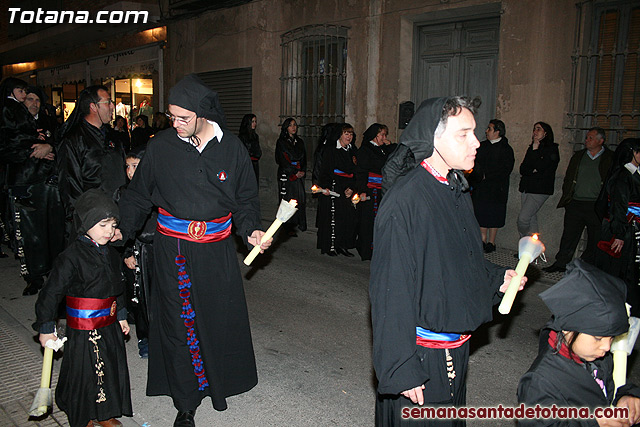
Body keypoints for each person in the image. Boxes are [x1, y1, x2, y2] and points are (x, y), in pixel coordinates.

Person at [117, 74, 271, 427]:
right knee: (179, 323)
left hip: (217, 252)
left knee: (215, 319)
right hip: (174, 252)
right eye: (171, 116)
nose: (174, 123)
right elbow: (139, 195)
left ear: (203, 115)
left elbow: (246, 199)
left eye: (182, 117)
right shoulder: (161, 147)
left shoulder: (231, 148)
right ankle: (185, 401)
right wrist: (122, 232)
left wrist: (251, 229)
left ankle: (215, 383)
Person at [369, 96, 525, 426]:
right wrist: (402, 368)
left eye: (475, 132)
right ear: (433, 139)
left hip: (455, 350)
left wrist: (498, 279)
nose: (476, 141)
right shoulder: (405, 201)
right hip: (421, 359)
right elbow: (390, 292)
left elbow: (462, 261)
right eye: (463, 134)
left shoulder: (455, 188)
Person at [32, 189, 132, 427]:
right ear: (86, 224)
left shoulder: (110, 253)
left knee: (109, 369)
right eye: (103, 225)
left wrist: (121, 315)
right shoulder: (71, 258)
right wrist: (46, 327)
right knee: (85, 374)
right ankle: (85, 414)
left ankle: (105, 412)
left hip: (108, 326)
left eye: (113, 225)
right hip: (83, 330)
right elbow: (50, 294)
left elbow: (117, 287)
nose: (110, 231)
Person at [517, 259, 640, 426]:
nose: (606, 346)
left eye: (611, 338)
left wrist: (627, 395)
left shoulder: (596, 356)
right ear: (568, 329)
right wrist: (594, 422)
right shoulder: (539, 383)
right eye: (598, 337)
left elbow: (607, 391)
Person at [0, 81, 65, 295]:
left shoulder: (50, 123)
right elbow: (5, 150)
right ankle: (33, 277)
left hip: (49, 185)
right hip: (23, 185)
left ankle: (54, 274)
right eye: (30, 98)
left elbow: (64, 146)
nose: (34, 103)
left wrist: (50, 146)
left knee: (53, 232)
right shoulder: (11, 121)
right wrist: (33, 151)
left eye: (38, 100)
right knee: (28, 235)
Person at [57, 85, 126, 243]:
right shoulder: (73, 140)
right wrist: (83, 221)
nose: (112, 106)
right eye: (108, 102)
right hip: (91, 219)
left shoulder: (113, 137)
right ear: (93, 106)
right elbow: (69, 184)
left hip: (116, 213)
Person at [544, 127, 614, 273]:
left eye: (591, 138)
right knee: (569, 235)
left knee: (595, 237)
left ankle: (587, 266)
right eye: (587, 137)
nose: (587, 140)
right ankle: (561, 263)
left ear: (601, 141)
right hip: (576, 202)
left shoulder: (609, 158)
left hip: (596, 205)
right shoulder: (579, 156)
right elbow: (569, 177)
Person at [594, 138, 640, 317]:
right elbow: (618, 206)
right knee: (617, 269)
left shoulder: (635, 174)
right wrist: (619, 234)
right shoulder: (622, 175)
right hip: (622, 229)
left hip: (632, 228)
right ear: (632, 153)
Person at [116, 149, 153, 359]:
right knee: (138, 296)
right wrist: (127, 252)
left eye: (135, 166)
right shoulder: (122, 192)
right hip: (135, 249)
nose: (130, 172)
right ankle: (144, 338)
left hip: (155, 249)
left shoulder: (155, 189)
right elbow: (121, 225)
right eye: (127, 167)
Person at [467, 119, 514, 253]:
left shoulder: (506, 149)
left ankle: (491, 242)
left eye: (490, 129)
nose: (486, 131)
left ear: (497, 132)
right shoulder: (482, 146)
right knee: (482, 212)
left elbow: (506, 168)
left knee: (494, 214)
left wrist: (488, 175)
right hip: (482, 187)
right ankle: (482, 239)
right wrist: (477, 176)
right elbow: (475, 164)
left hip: (496, 188)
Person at [354, 123, 396, 260]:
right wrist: (363, 190)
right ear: (374, 136)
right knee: (368, 221)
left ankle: (379, 249)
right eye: (382, 135)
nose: (384, 137)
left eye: (385, 134)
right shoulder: (365, 150)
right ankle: (366, 250)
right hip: (370, 190)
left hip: (382, 190)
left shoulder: (383, 149)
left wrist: (388, 145)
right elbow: (361, 172)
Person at [316, 123, 358, 257]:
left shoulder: (352, 150)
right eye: (346, 134)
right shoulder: (331, 150)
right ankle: (331, 245)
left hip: (348, 188)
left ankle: (343, 245)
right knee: (334, 218)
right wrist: (326, 186)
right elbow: (325, 170)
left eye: (351, 134)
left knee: (347, 218)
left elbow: (356, 171)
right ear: (340, 135)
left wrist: (352, 188)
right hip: (335, 186)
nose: (349, 137)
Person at [517, 122, 560, 238]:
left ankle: (526, 241)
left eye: (538, 129)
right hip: (527, 187)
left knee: (523, 218)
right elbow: (523, 168)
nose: (535, 132)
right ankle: (530, 249)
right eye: (534, 129)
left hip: (539, 189)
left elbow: (542, 167)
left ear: (546, 133)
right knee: (531, 219)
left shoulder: (552, 149)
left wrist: (535, 152)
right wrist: (533, 169)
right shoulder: (532, 148)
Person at [275, 117, 307, 235]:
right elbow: (281, 160)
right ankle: (288, 227)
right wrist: (293, 171)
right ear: (286, 128)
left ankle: (300, 222)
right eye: (290, 125)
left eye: (295, 125)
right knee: (288, 199)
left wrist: (302, 170)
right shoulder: (282, 142)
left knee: (300, 198)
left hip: (298, 173)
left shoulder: (299, 142)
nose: (293, 127)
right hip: (287, 174)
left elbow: (304, 158)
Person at [238, 113, 262, 182]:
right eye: (252, 121)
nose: (254, 123)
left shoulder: (255, 136)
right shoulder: (242, 137)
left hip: (254, 164)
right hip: (246, 165)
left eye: (255, 121)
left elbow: (258, 151)